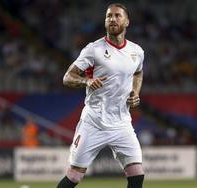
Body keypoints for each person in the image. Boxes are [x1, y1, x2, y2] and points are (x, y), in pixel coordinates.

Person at [57, 3, 144, 188]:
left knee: (137, 175)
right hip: (94, 122)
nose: (112, 19)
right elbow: (68, 77)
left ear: (127, 21)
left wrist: (135, 92)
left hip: (122, 124)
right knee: (73, 177)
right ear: (105, 21)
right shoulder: (93, 49)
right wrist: (86, 81)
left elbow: (138, 72)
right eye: (109, 16)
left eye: (117, 16)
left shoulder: (137, 52)